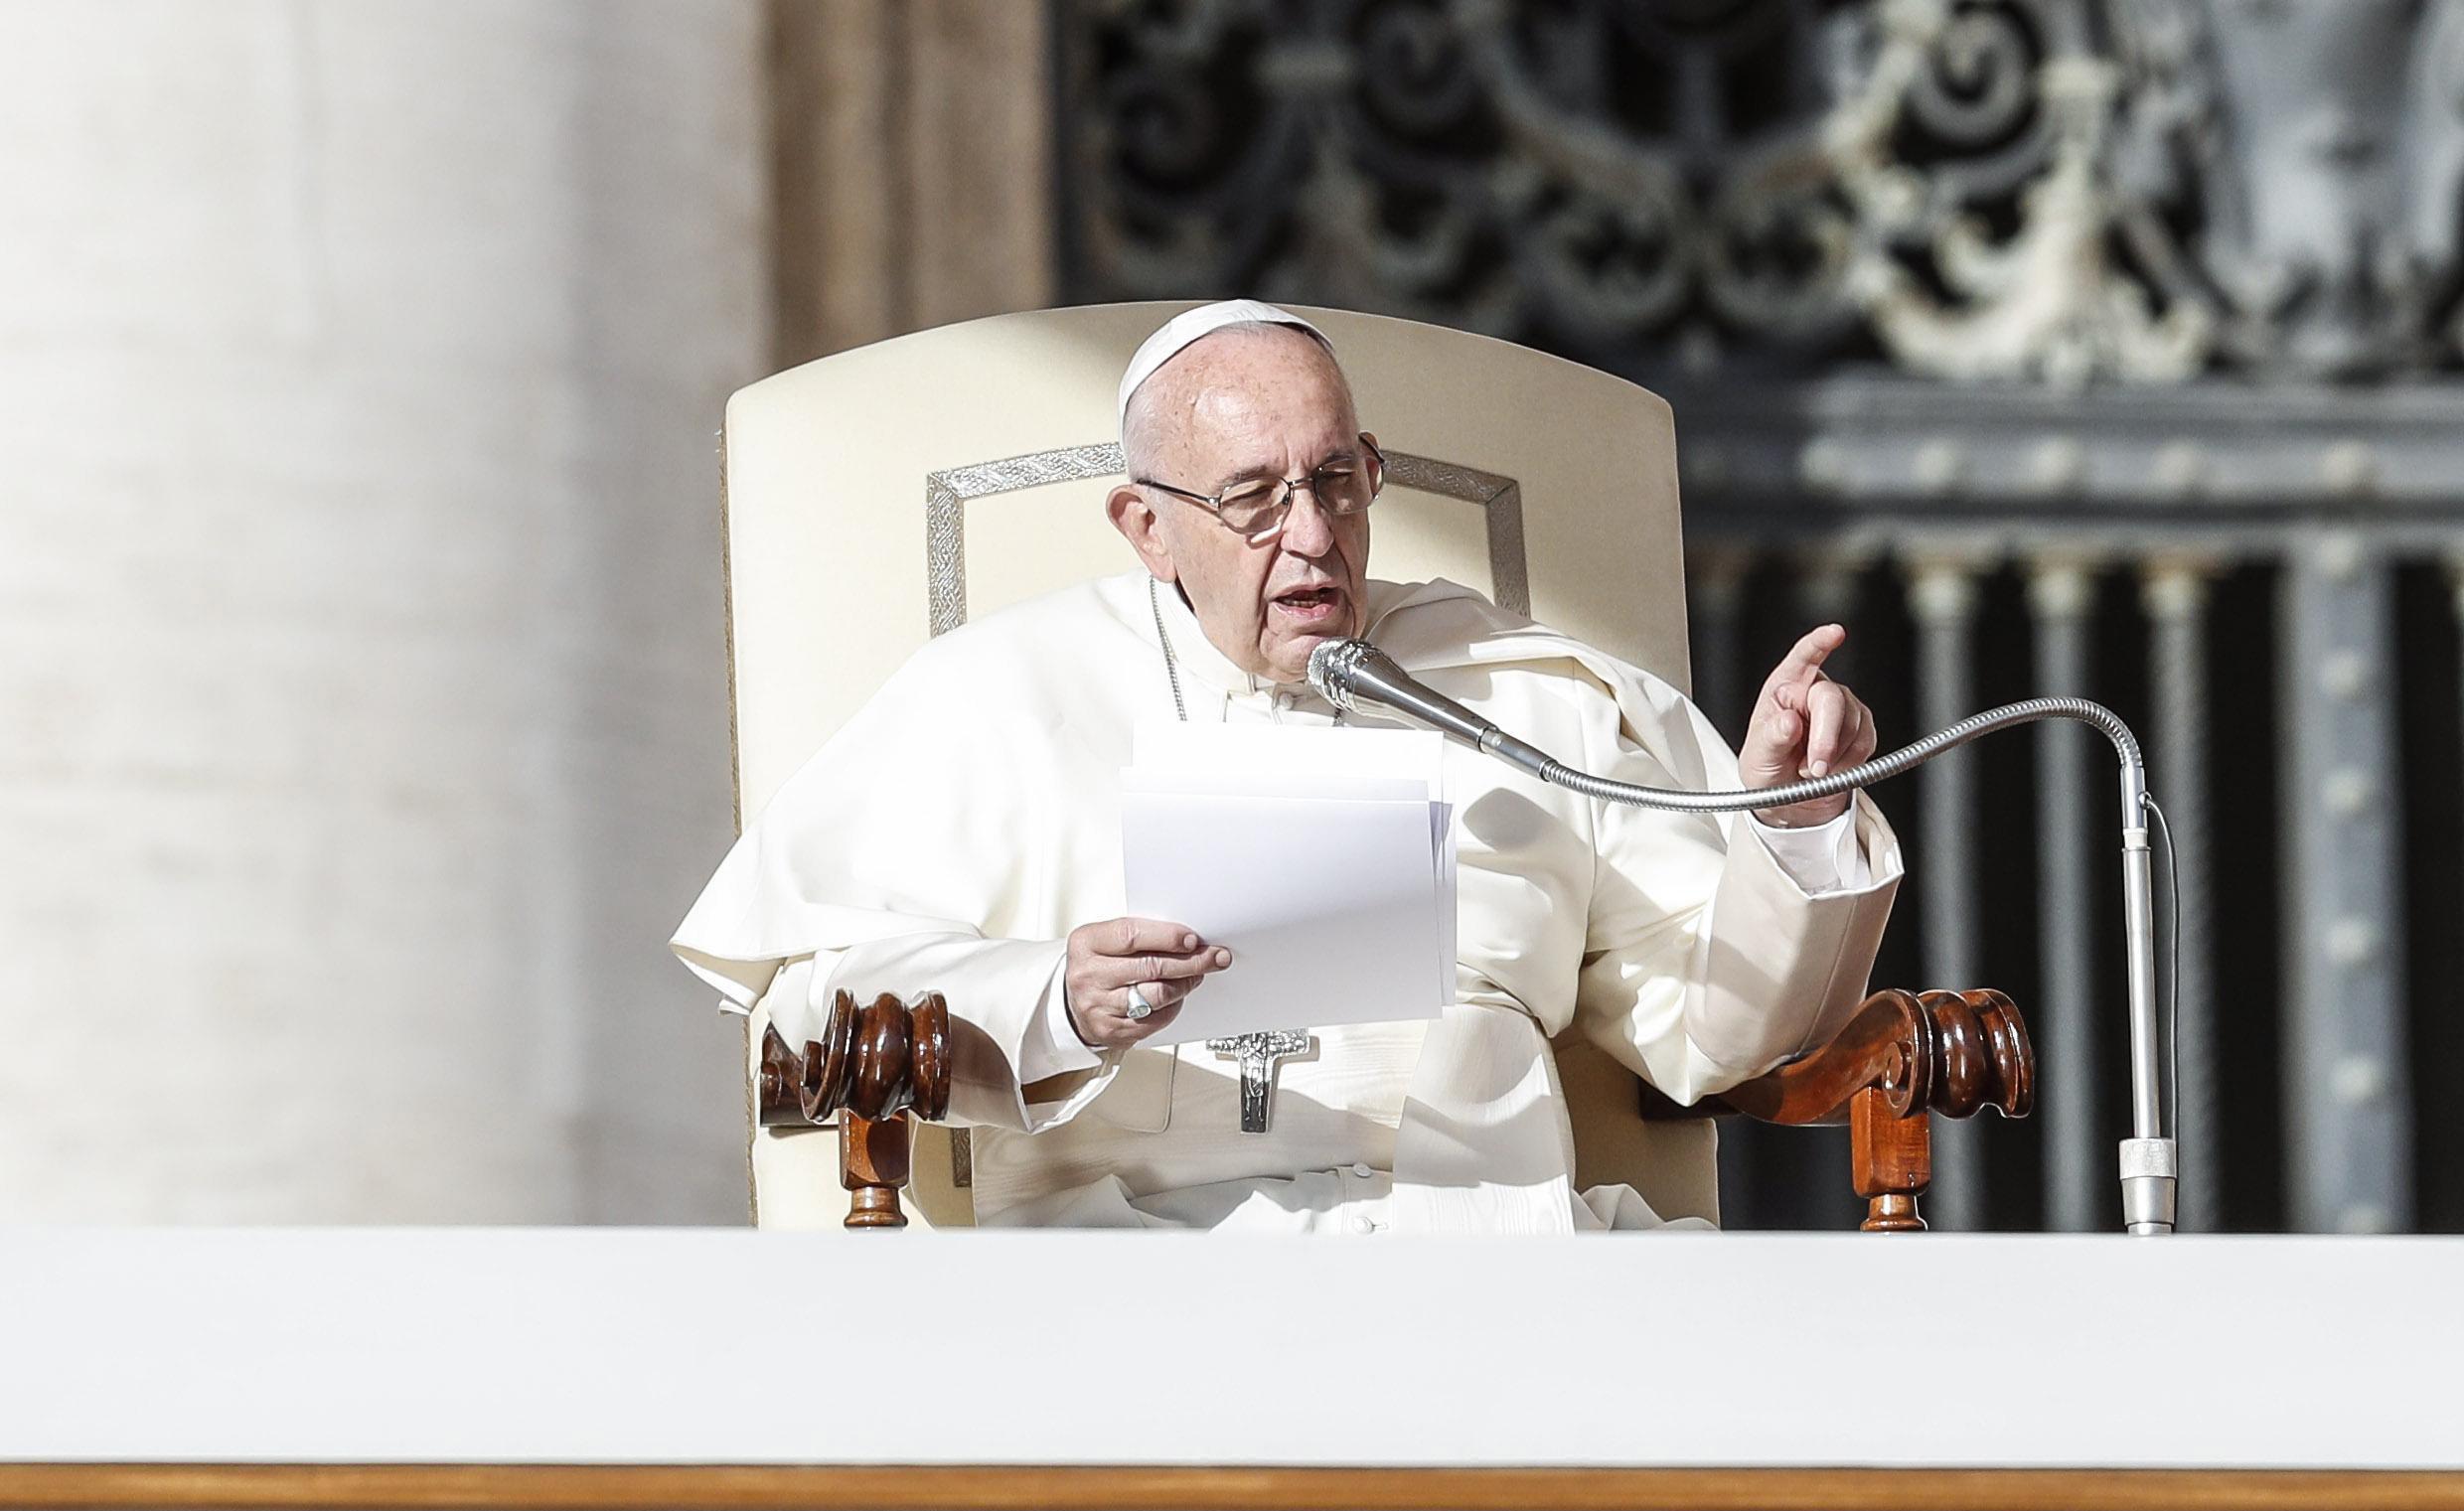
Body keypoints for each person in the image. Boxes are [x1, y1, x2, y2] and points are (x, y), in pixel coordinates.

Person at [673, 300, 1901, 1233]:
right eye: (1253, 498)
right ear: (1146, 526)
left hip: (1487, 1269)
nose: (1311, 535)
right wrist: (1050, 1000)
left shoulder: (1520, 691)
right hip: (1118, 1289)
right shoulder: (1001, 693)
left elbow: (1727, 1035)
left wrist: (1787, 823)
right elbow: (814, 1002)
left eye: (1333, 483)